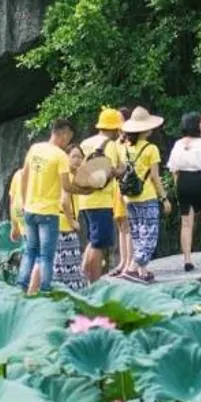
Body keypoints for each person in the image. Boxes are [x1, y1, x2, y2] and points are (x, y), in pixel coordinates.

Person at [19, 119, 76, 294]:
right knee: (46, 256)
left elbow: (24, 176)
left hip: (30, 209)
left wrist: (24, 201)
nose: (68, 142)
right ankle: (44, 290)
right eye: (69, 137)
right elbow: (67, 186)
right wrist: (87, 189)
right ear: (63, 133)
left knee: (30, 252)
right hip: (48, 213)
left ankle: (21, 286)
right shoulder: (60, 156)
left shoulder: (35, 148)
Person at [74, 109, 125, 283]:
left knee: (92, 240)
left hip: (84, 199)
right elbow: (108, 170)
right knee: (99, 244)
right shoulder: (110, 145)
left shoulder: (85, 142)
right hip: (101, 200)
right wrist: (121, 170)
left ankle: (83, 277)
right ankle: (94, 283)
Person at [119, 106, 168, 281]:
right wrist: (164, 197)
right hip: (146, 196)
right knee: (150, 235)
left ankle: (142, 271)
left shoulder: (124, 148)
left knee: (137, 234)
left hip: (129, 198)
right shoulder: (151, 149)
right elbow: (155, 176)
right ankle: (133, 267)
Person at [167, 112, 201, 271]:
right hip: (199, 179)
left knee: (186, 223)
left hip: (183, 181)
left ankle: (187, 259)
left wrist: (178, 190)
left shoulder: (177, 144)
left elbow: (174, 170)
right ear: (196, 125)